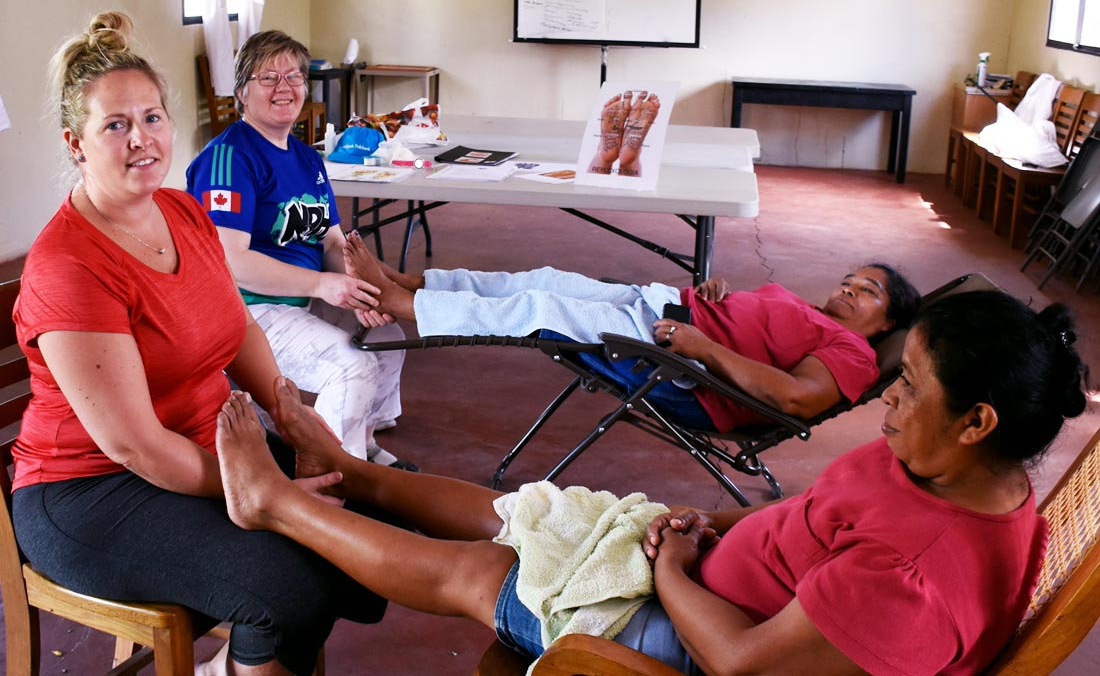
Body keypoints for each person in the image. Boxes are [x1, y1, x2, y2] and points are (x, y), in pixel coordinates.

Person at [215, 288, 1088, 675]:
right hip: (707, 567)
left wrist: (672, 566)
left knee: (480, 572)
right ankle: (355, 472)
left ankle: (280, 502)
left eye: (909, 389)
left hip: (700, 632)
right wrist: (706, 521)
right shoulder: (954, 474)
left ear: (979, 422)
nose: (885, 400)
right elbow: (818, 523)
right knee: (522, 506)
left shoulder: (918, 582)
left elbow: (743, 662)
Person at [12, 12, 386, 676]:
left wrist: (291, 417)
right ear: (76, 143)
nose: (142, 139)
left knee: (361, 531)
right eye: (116, 125)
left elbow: (238, 326)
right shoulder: (69, 262)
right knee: (291, 580)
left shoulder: (183, 210)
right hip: (91, 492)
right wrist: (267, 489)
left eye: (152, 117)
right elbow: (135, 447)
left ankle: (237, 665)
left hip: (203, 445)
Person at [347, 232, 920, 432]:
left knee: (537, 306)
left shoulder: (852, 352)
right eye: (848, 280)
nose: (848, 290)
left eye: (867, 291)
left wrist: (705, 345)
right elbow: (762, 328)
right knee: (543, 276)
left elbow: (796, 396)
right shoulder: (814, 315)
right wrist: (723, 294)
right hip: (667, 309)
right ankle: (413, 280)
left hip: (678, 359)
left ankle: (401, 304)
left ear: (888, 322)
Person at [185, 30, 413, 470]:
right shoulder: (229, 158)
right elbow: (232, 263)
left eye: (294, 76)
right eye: (268, 77)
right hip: (248, 311)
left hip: (300, 298)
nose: (284, 87)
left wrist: (357, 286)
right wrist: (322, 284)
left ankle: (362, 446)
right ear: (242, 93)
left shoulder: (307, 159)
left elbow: (329, 239)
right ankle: (337, 474)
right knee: (351, 365)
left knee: (386, 336)